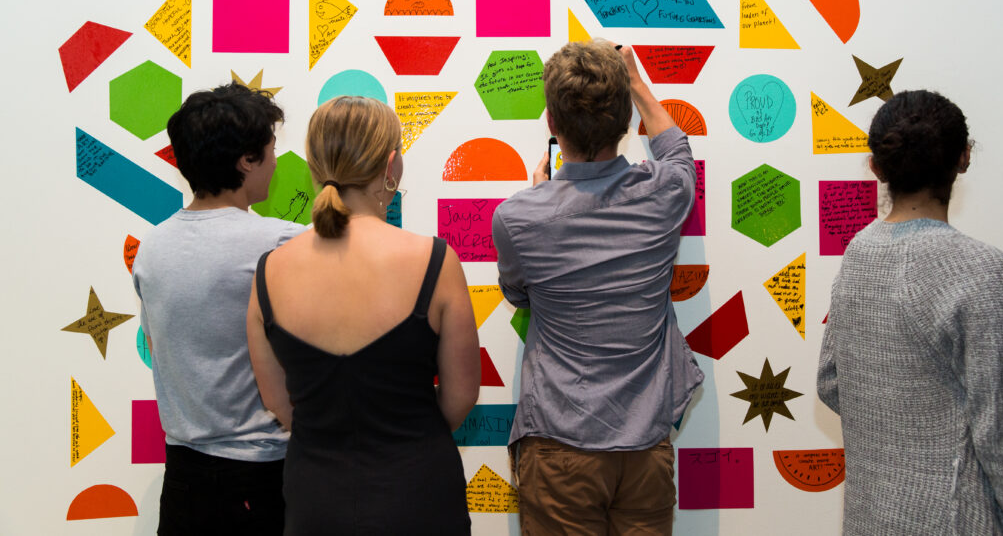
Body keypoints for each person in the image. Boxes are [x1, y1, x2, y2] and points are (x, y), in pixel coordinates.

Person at [492, 40, 705, 535]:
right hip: (646, 449)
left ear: (551, 123)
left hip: (559, 445)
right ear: (628, 123)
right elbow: (677, 148)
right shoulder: (665, 191)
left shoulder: (517, 217)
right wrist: (634, 81)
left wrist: (539, 200)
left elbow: (519, 293)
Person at [247, 95, 480, 535]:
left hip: (317, 496)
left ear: (314, 168)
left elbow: (277, 402)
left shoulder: (269, 271)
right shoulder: (434, 259)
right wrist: (405, 435)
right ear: (392, 166)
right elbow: (461, 396)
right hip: (420, 491)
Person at [817, 89, 1003, 535]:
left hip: (870, 517)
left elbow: (831, 382)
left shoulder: (857, 253)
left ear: (876, 166)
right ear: (964, 157)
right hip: (959, 518)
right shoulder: (983, 271)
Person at [132, 82, 303, 535]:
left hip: (183, 477)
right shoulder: (279, 240)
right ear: (246, 160)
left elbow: (159, 344)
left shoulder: (151, 248)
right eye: (270, 151)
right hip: (260, 475)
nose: (274, 163)